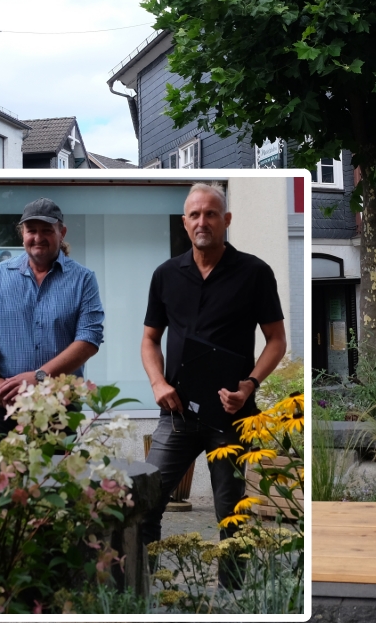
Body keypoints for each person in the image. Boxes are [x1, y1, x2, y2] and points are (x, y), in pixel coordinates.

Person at [140, 183, 287, 578]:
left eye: (210, 213)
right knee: (145, 501)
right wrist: (157, 383)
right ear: (184, 222)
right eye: (194, 215)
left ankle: (233, 598)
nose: (202, 221)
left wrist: (250, 386)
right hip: (177, 415)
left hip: (232, 416)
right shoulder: (166, 275)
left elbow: (276, 341)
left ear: (227, 220)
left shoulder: (255, 272)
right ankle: (143, 591)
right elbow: (150, 340)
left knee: (231, 515)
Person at [0, 197, 104, 432]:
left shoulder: (83, 279)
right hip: (3, 394)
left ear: (62, 232)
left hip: (58, 395)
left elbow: (89, 339)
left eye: (46, 231)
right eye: (32, 230)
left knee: (56, 466)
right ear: (22, 233)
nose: (38, 238)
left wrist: (40, 376)